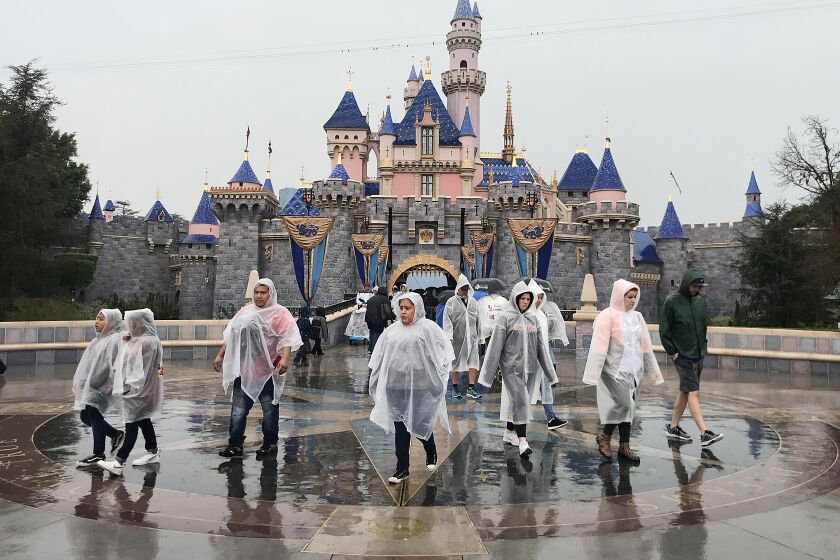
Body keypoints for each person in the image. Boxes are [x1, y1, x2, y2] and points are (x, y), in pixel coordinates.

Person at [369, 292, 455, 484]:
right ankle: (402, 468)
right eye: (401, 308)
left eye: (408, 308)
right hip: (396, 386)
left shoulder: (428, 329)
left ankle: (430, 449)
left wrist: (439, 377)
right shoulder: (391, 332)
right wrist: (378, 380)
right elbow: (380, 357)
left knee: (418, 421)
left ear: (417, 308)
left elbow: (443, 354)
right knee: (401, 426)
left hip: (420, 385)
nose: (403, 312)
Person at [213, 278, 302, 459]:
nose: (259, 296)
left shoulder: (280, 313)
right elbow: (232, 334)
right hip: (245, 370)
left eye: (263, 292)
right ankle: (235, 445)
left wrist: (285, 358)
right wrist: (221, 354)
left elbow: (287, 337)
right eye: (257, 292)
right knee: (238, 409)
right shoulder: (245, 311)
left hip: (269, 370)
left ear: (270, 294)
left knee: (269, 410)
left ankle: (270, 444)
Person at [583, 280, 664, 461]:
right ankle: (605, 435)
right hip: (614, 371)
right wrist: (594, 373)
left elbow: (645, 346)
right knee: (624, 404)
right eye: (629, 297)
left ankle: (624, 446)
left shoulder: (638, 317)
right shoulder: (607, 316)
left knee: (629, 408)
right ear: (620, 296)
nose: (632, 300)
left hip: (634, 371)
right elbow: (599, 345)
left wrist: (653, 371)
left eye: (635, 297)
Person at [479, 281, 557, 458]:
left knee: (520, 401)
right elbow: (495, 347)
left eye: (528, 299)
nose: (525, 301)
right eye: (522, 298)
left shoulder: (533, 319)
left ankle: (509, 433)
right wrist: (487, 376)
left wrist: (550, 374)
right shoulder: (505, 318)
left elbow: (541, 348)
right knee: (521, 400)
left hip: (529, 368)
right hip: (511, 368)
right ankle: (523, 440)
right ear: (515, 298)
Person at [660, 270, 724, 447]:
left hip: (698, 354)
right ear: (686, 284)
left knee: (686, 390)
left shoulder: (700, 302)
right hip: (682, 355)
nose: (697, 289)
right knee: (694, 392)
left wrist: (702, 347)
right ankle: (704, 433)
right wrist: (673, 353)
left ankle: (673, 427)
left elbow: (703, 326)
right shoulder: (671, 302)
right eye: (694, 286)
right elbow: (664, 331)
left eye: (699, 287)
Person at [97, 309, 164, 475]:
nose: (129, 326)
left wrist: (126, 388)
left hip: (137, 391)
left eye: (131, 323)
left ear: (139, 323)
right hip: (145, 390)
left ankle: (119, 462)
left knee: (131, 424)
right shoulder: (151, 340)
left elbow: (136, 368)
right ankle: (153, 451)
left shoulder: (145, 343)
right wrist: (132, 338)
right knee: (143, 420)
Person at [72, 309, 126, 468]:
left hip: (102, 385)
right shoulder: (98, 340)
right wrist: (84, 380)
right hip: (92, 384)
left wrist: (95, 382)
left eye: (101, 319)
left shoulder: (115, 340)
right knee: (85, 416)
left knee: (94, 415)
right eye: (96, 318)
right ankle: (115, 434)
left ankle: (98, 453)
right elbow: (89, 363)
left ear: (111, 322)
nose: (97, 322)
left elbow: (110, 365)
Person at [527, 280, 570, 430]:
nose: (538, 300)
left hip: (543, 357)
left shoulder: (541, 315)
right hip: (529, 359)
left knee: (546, 387)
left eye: (540, 297)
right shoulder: (525, 315)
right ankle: (515, 423)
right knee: (525, 389)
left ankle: (551, 417)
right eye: (536, 297)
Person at [443, 275, 482, 400]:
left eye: (466, 288)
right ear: (458, 288)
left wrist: (479, 335)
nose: (465, 291)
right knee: (455, 362)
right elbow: (446, 319)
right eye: (463, 288)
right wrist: (449, 335)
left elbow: (478, 319)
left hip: (472, 337)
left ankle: (471, 388)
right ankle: (455, 388)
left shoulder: (473, 302)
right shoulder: (451, 302)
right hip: (457, 338)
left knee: (473, 362)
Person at [365, 286, 394, 353]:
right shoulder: (384, 299)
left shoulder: (371, 298)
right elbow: (387, 310)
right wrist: (391, 317)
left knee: (372, 333)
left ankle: (371, 349)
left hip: (369, 319)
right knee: (376, 333)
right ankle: (375, 350)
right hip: (378, 319)